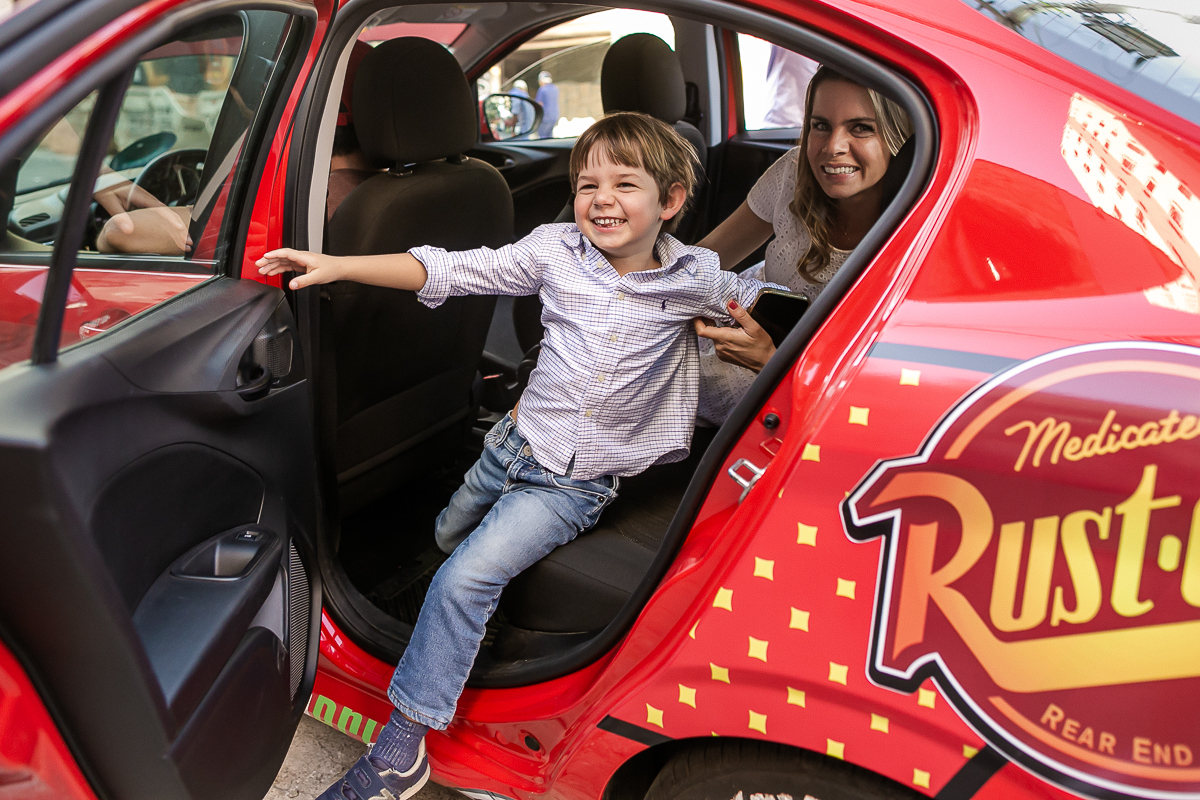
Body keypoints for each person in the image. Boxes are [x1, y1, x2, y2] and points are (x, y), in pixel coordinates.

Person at [255, 112, 779, 800]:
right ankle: (455, 620)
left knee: (462, 580)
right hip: (510, 445)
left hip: (571, 486)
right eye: (587, 182)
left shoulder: (697, 279)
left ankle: (399, 751)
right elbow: (451, 269)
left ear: (671, 202)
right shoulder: (555, 249)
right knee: (445, 535)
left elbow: (774, 325)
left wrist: (767, 355)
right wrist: (336, 264)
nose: (601, 199)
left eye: (626, 184)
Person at [693, 65, 912, 426]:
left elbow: (872, 396)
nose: (832, 148)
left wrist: (769, 361)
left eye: (861, 128)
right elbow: (707, 257)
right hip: (732, 329)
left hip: (801, 394)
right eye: (820, 125)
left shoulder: (918, 230)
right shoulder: (794, 172)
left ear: (897, 138)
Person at [535, 70, 559, 139]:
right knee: (550, 137)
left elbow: (539, 104)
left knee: (543, 137)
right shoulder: (555, 88)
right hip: (554, 117)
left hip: (545, 118)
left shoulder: (542, 89)